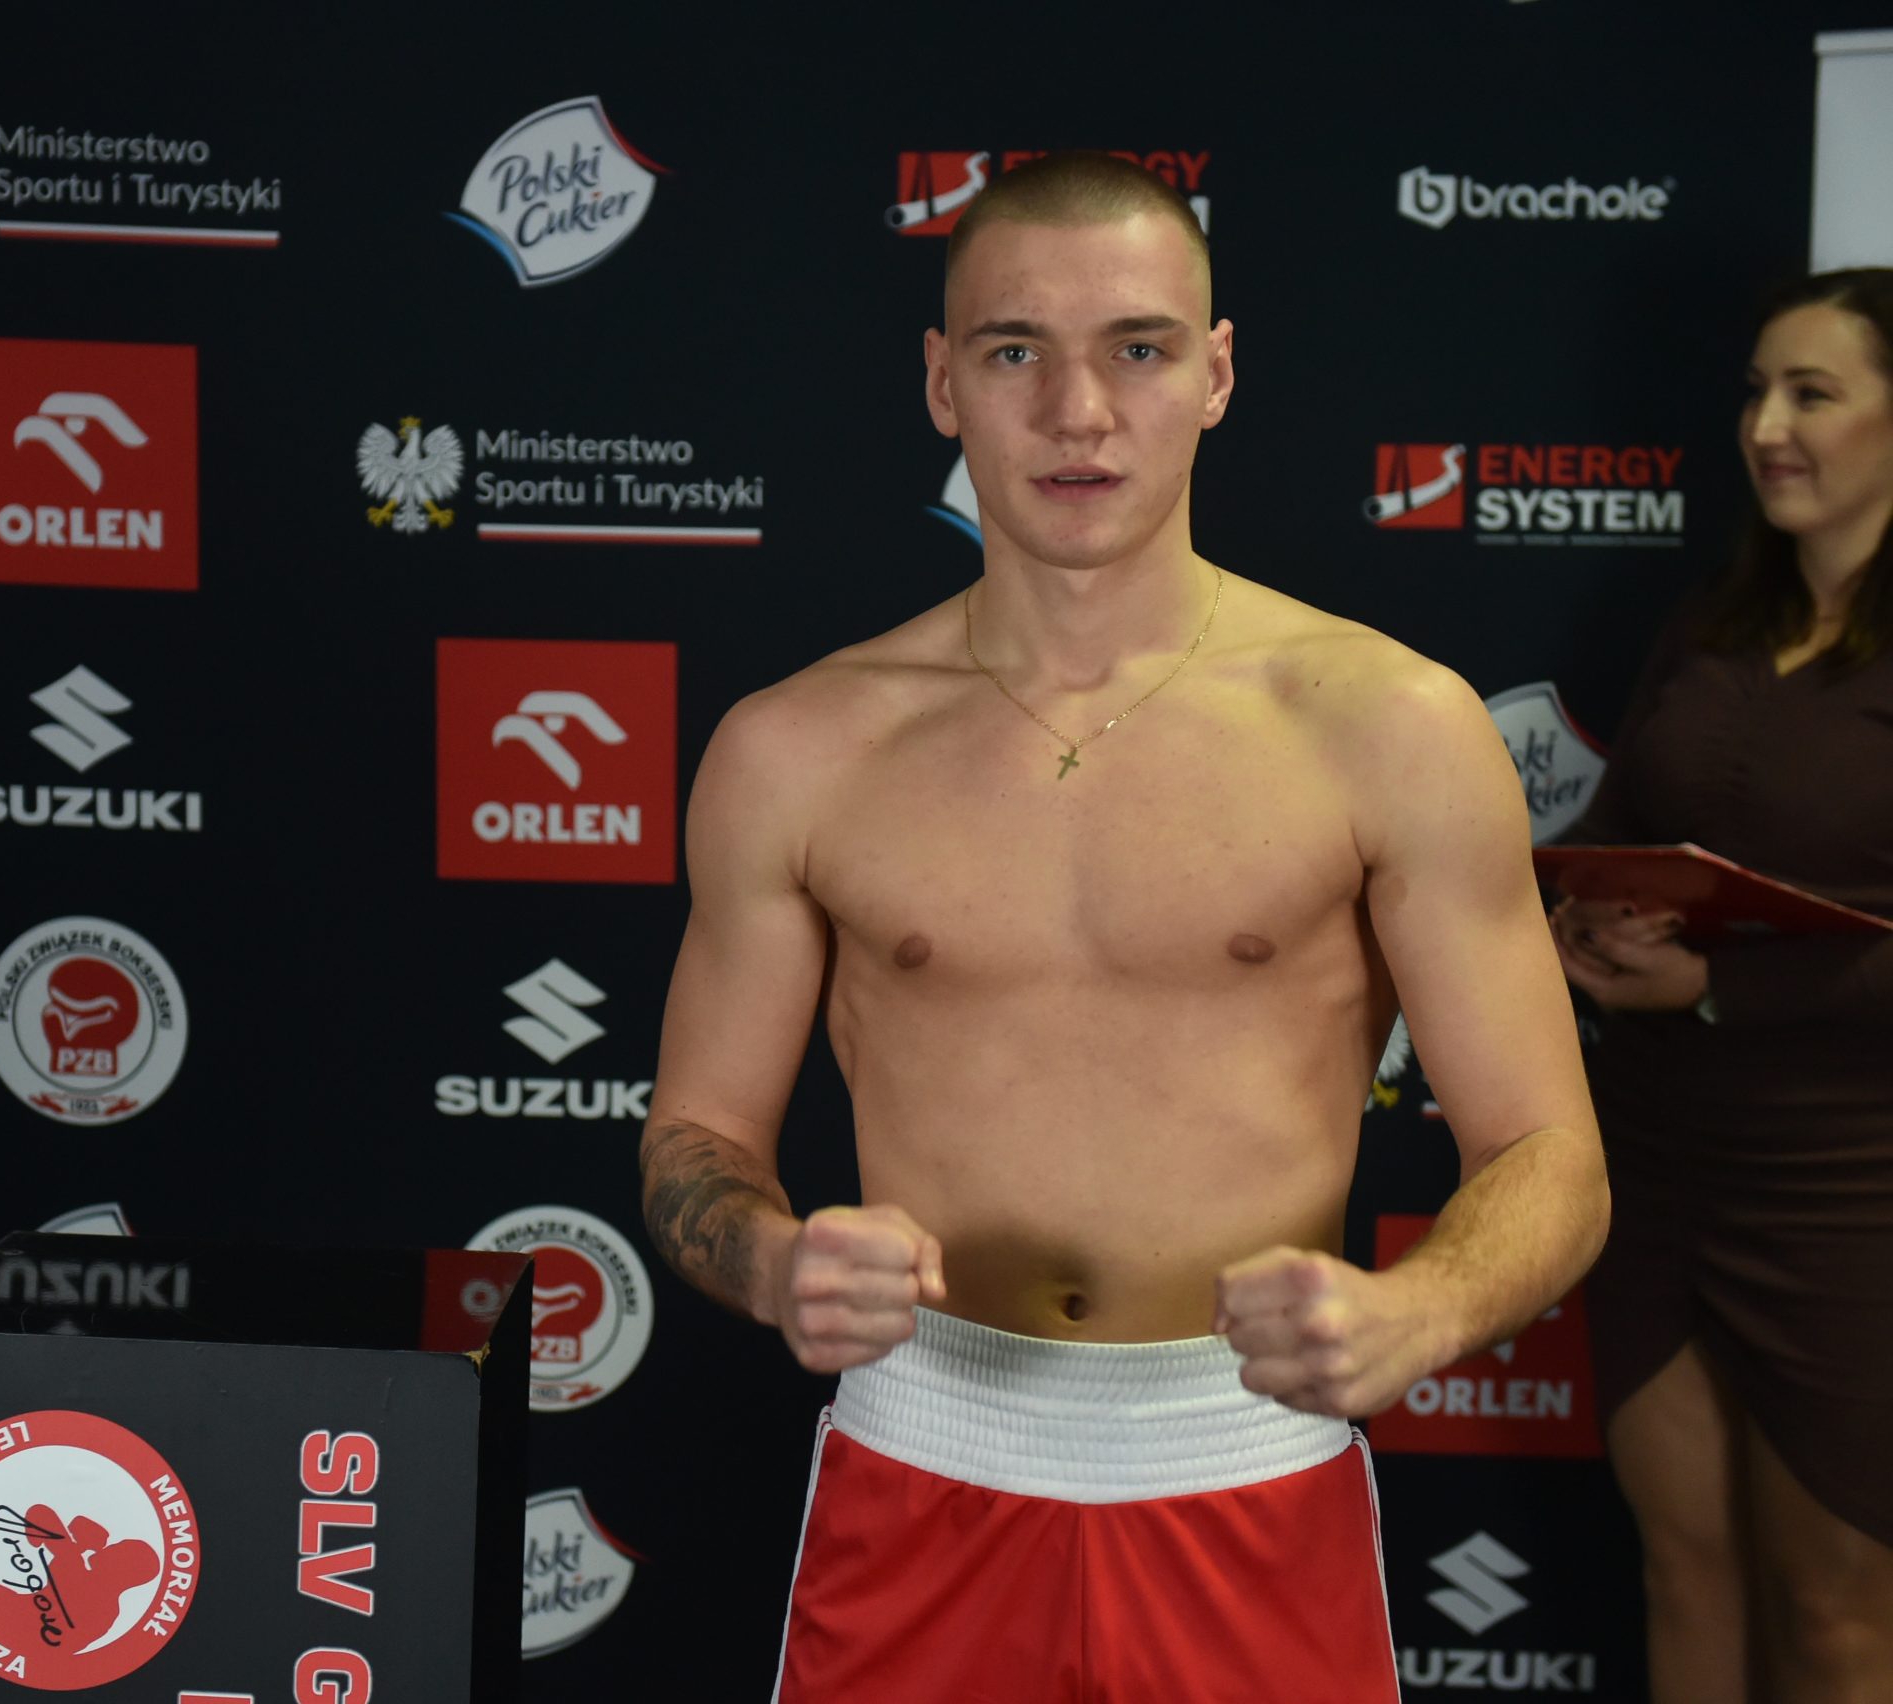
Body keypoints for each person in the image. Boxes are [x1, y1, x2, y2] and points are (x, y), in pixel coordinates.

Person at [635, 151, 1609, 1704]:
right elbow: (697, 1136)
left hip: (1245, 1463)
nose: (1077, 412)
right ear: (942, 382)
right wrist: (769, 1261)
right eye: (1015, 351)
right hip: (923, 1464)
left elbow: (1551, 1153)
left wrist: (1421, 1309)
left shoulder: (1389, 725)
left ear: (1215, 375)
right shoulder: (798, 749)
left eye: (1137, 350)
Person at [1549, 267, 1893, 1704]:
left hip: (1851, 1185)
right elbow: (1618, 825)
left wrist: (1709, 990)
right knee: (1686, 1574)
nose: (1767, 427)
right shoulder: (1709, 621)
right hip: (1656, 1163)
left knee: (1836, 1615)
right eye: (1756, 392)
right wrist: (1583, 918)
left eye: (1812, 393)